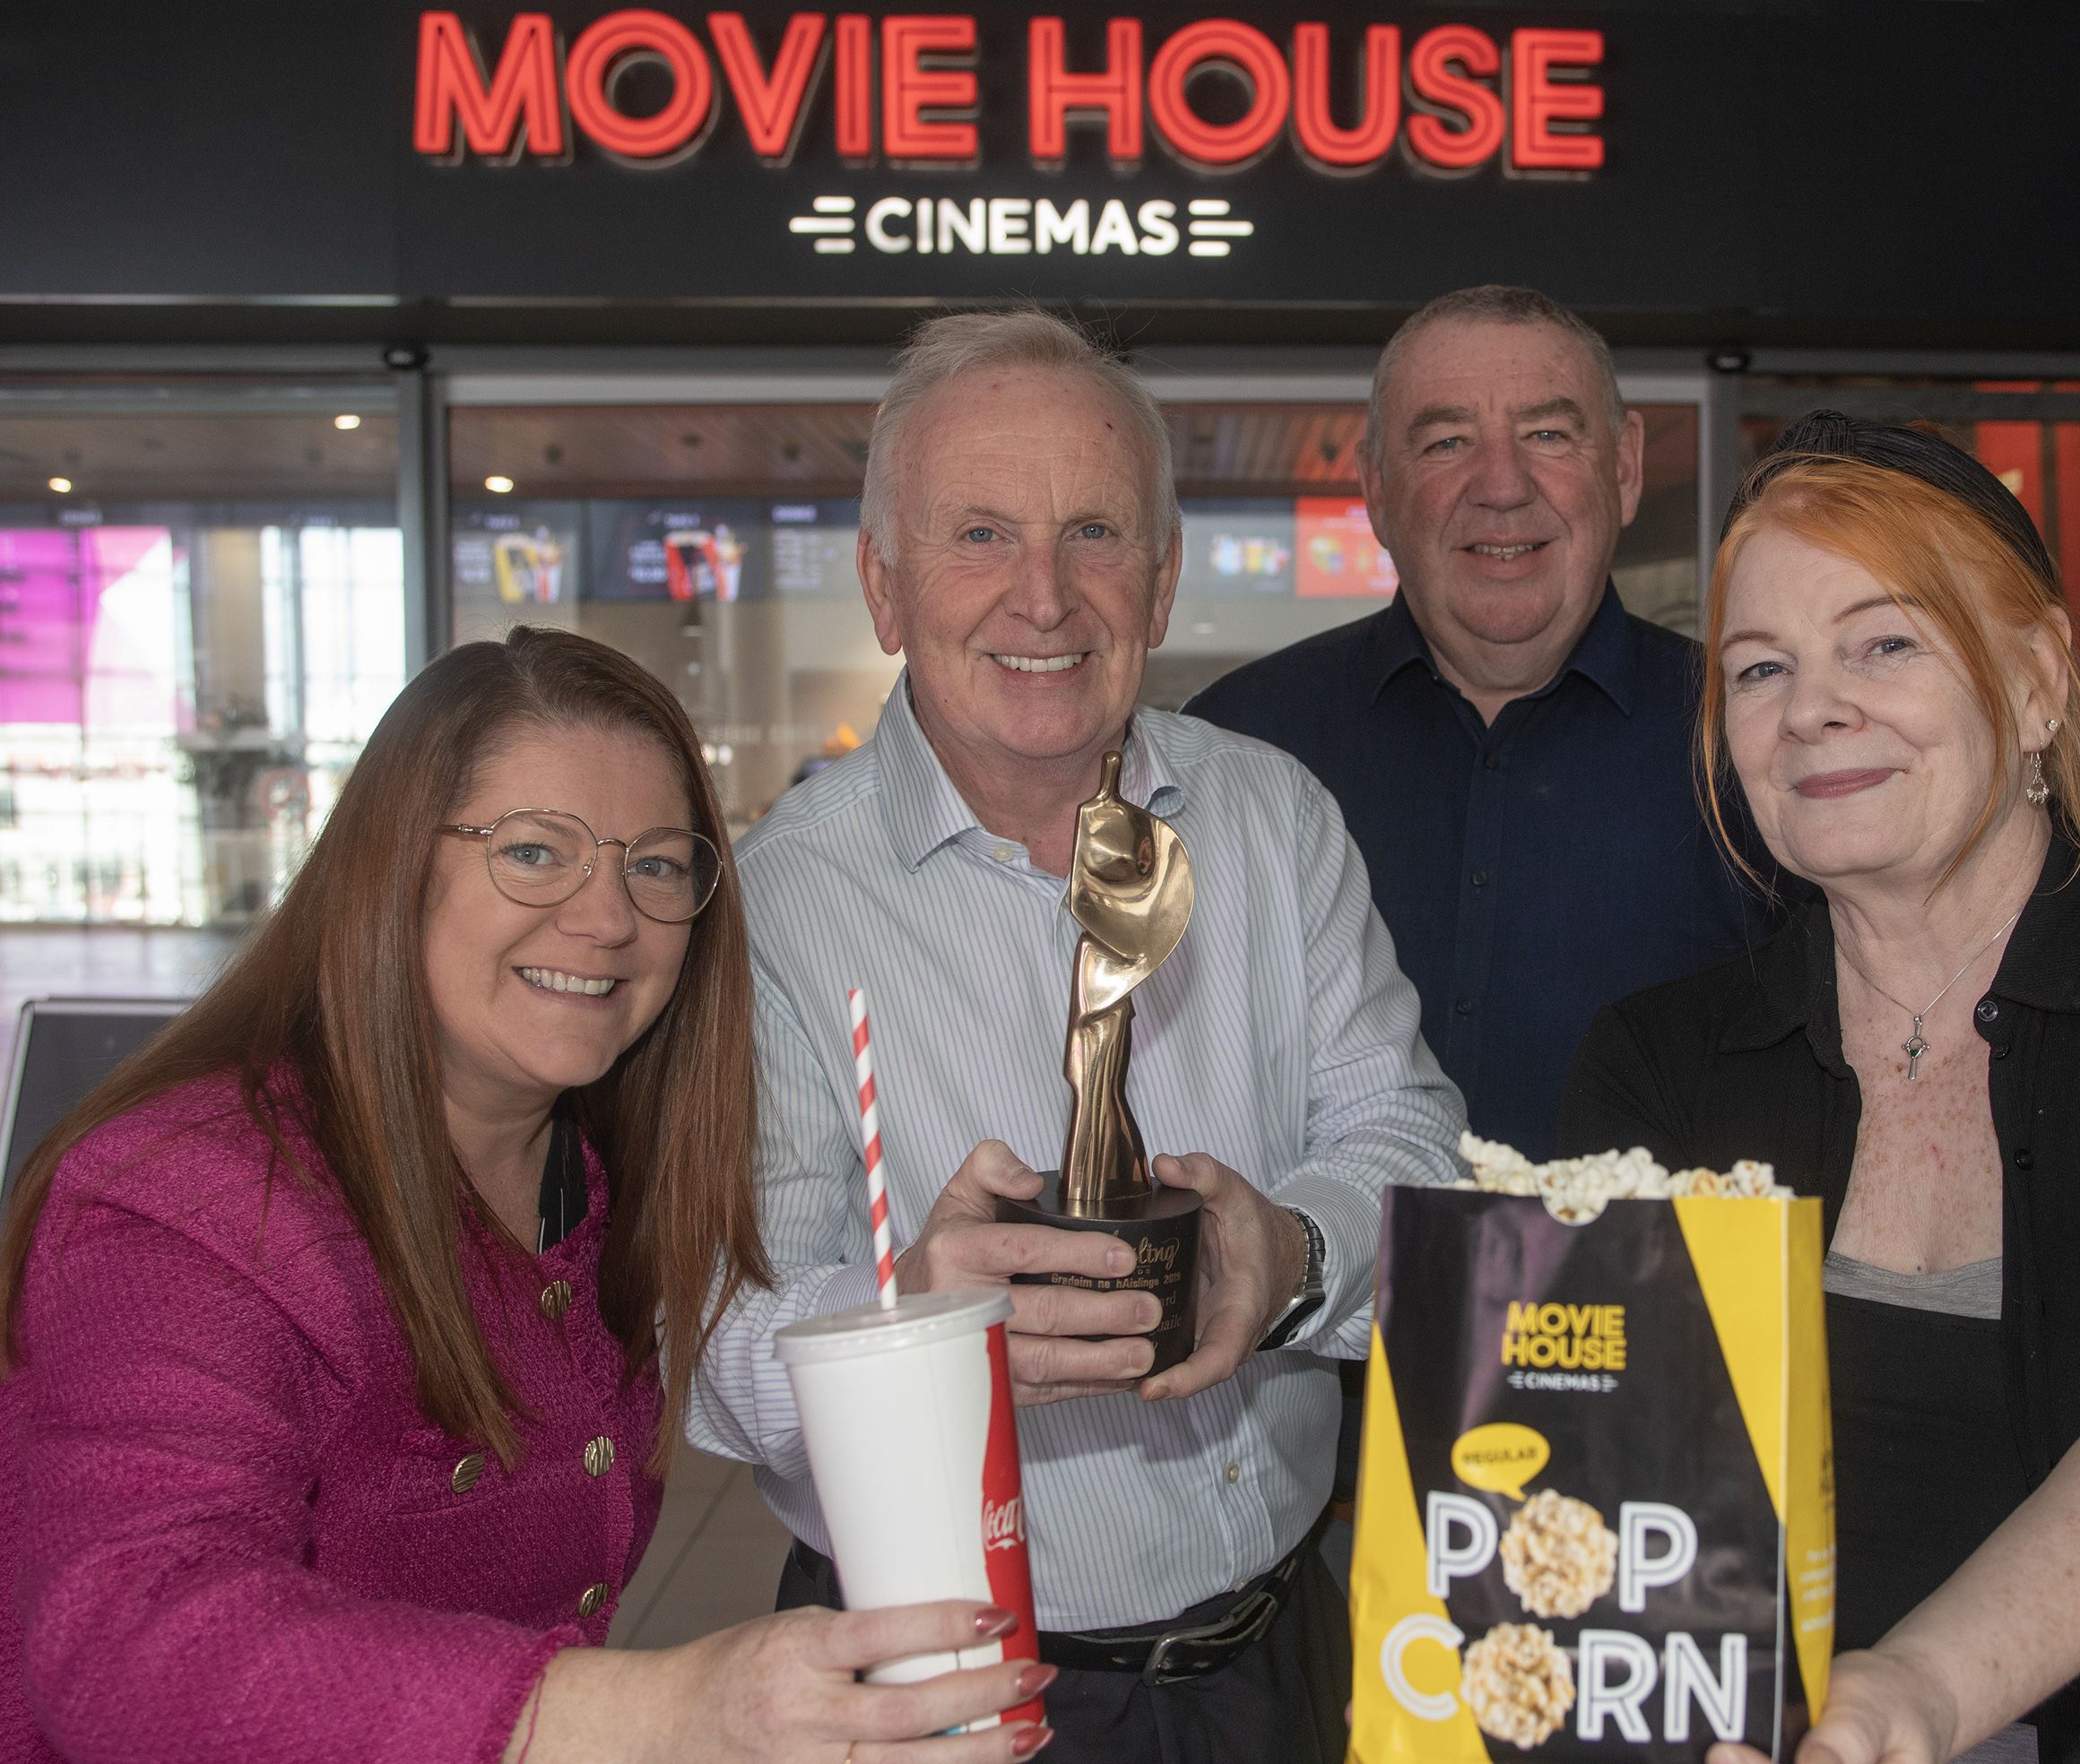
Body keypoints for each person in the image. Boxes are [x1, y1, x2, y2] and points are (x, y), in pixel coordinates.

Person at [0, 627, 1053, 1764]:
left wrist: (921, 1298)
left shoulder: (595, 1182)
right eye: (536, 852)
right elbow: (133, 1641)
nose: (608, 919)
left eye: (654, 864)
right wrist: (673, 1711)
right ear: (394, 866)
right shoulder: (189, 1197)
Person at [1558, 414, 2080, 1763]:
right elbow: (1611, 1477)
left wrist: (1911, 1700)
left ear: (2034, 684)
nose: (1815, 707)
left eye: (1884, 642)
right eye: (1762, 667)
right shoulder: (1659, 1060)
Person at [689, 310, 1465, 1764]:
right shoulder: (777, 905)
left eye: (1095, 531)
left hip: (1292, 1648)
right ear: (882, 584)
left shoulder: (1274, 816)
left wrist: (1286, 1259)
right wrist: (912, 1317)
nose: (1043, 596)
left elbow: (1410, 1137)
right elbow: (715, 1344)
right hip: (949, 1683)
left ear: (1161, 583)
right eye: (979, 533)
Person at [1189, 284, 1777, 1161]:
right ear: (1379, 489)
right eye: (1447, 441)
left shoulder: (1753, 736)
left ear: (1622, 468)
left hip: (1665, 1295)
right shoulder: (1240, 746)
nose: (1501, 487)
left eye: (1547, 434)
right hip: (1322, 1295)